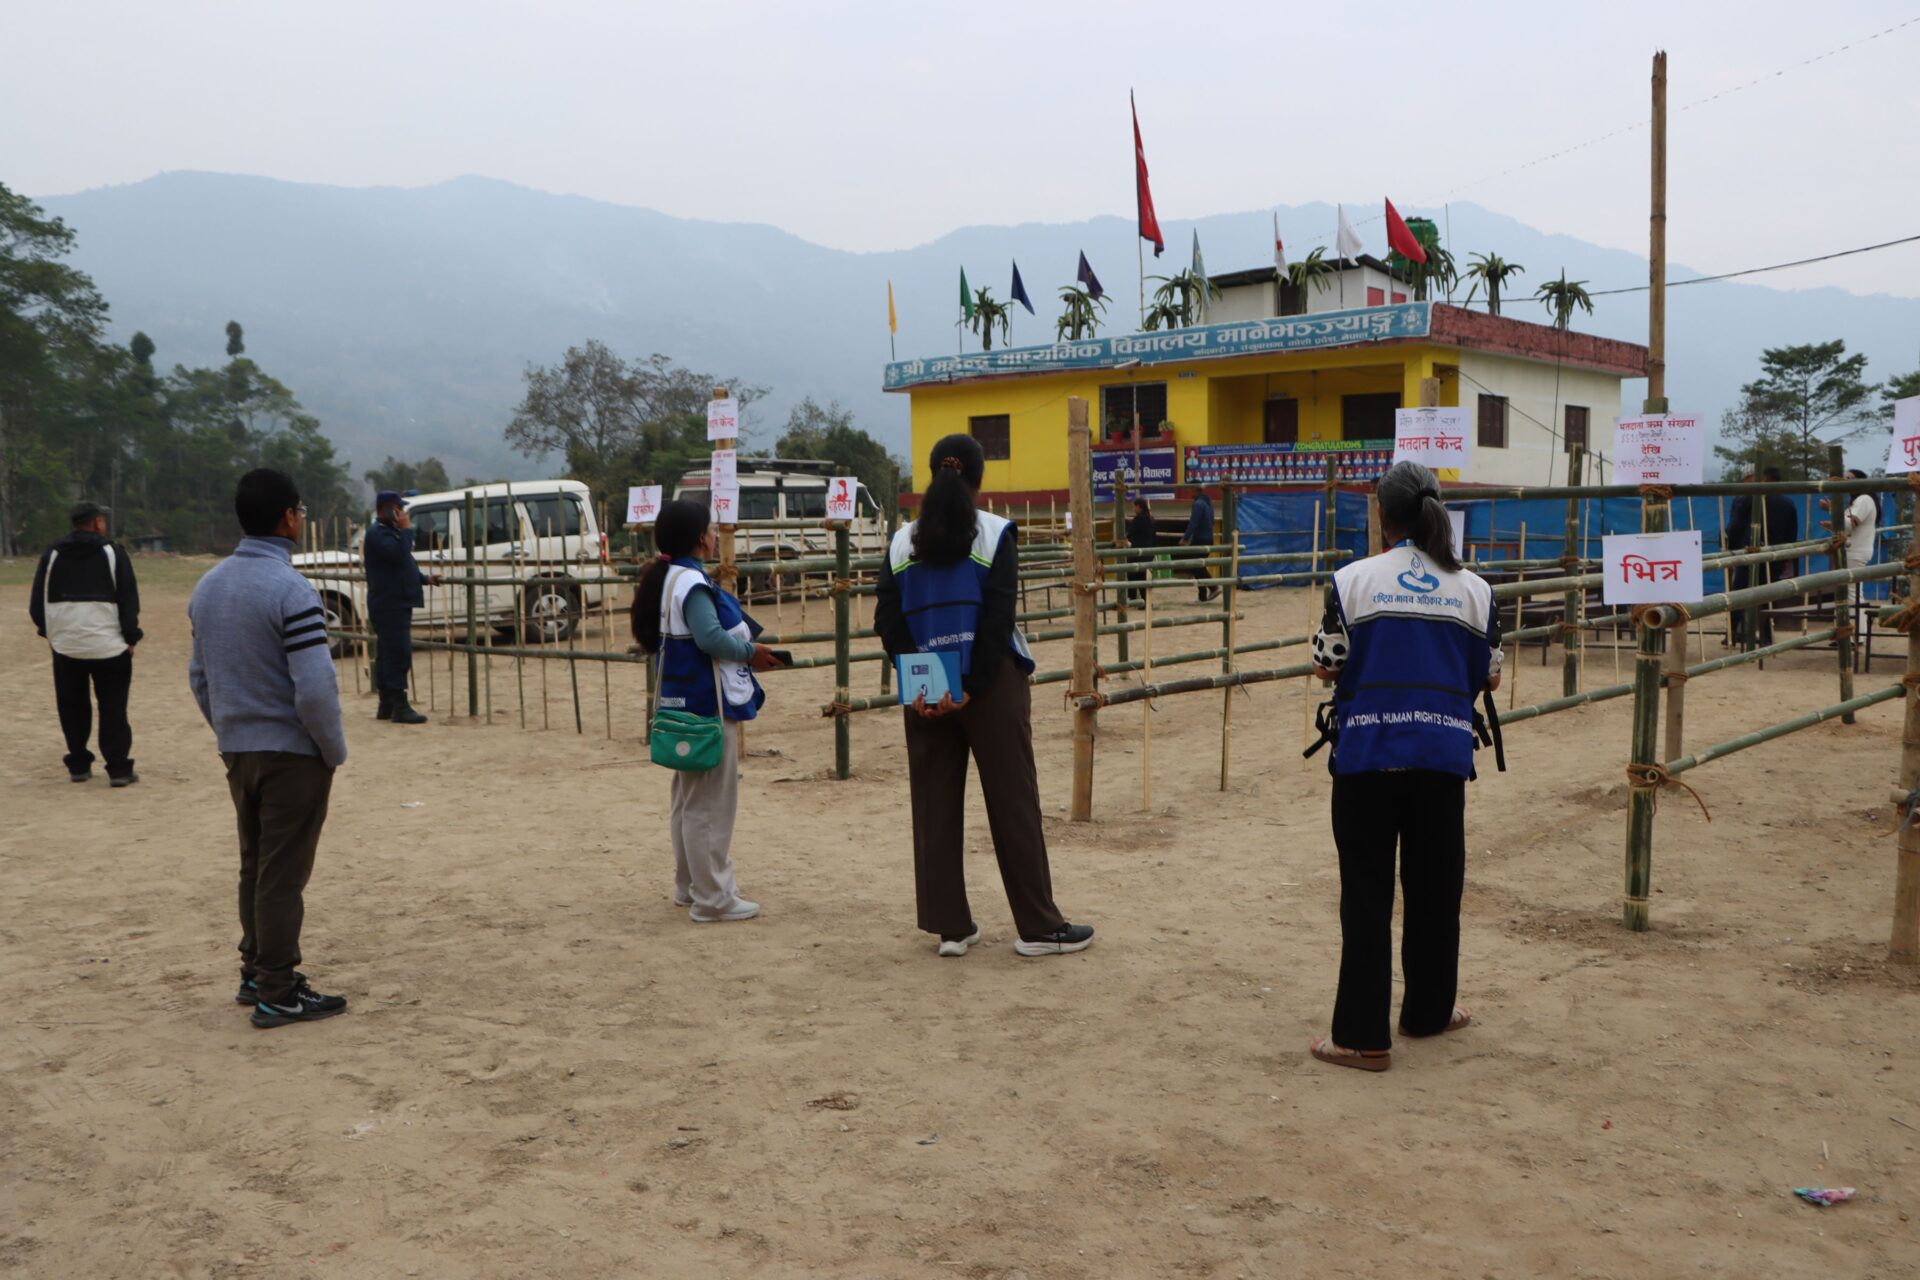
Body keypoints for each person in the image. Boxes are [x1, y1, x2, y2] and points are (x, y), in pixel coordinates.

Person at [1306, 460, 1502, 1072]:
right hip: (1442, 759)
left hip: (1367, 757)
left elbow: (1327, 665)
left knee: (1367, 896)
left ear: (1381, 513)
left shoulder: (1351, 581)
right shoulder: (1476, 590)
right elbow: (1490, 675)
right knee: (1436, 890)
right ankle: (1429, 1012)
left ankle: (1361, 1038)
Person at [875, 433, 1095, 958]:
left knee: (934, 806)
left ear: (932, 473)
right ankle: (1038, 927)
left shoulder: (900, 543)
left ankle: (951, 928)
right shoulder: (994, 533)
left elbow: (888, 621)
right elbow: (998, 617)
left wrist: (927, 684)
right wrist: (970, 686)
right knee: (1013, 801)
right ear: (979, 478)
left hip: (925, 690)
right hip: (991, 686)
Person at [188, 469, 351, 1029]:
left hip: (239, 750)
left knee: (254, 866)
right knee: (282, 875)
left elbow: (199, 677)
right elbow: (315, 687)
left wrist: (229, 730)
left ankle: (255, 973)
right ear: (288, 517)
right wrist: (332, 749)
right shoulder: (291, 589)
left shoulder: (208, 587)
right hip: (291, 755)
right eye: (300, 511)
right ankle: (278, 990)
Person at [631, 499, 783, 923]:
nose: (717, 535)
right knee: (710, 805)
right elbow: (711, 638)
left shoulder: (669, 577)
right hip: (706, 704)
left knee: (689, 801)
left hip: (682, 703)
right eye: (713, 529)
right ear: (700, 538)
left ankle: (690, 886)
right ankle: (714, 898)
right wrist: (752, 653)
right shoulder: (692, 583)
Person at [29, 500, 143, 786]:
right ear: (97, 523)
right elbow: (128, 598)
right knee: (113, 707)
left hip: (66, 646)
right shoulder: (113, 552)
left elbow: (37, 603)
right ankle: (118, 769)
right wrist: (130, 636)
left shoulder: (53, 554)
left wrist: (52, 634)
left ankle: (78, 765)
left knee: (72, 706)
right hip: (110, 646)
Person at [362, 489, 432, 725]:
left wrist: (424, 579)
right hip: (390, 603)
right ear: (387, 510)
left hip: (393, 601)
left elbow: (404, 565)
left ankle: (387, 704)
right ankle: (400, 706)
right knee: (397, 653)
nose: (402, 512)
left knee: (387, 653)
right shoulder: (379, 534)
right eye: (398, 508)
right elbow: (399, 556)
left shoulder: (388, 533)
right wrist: (406, 529)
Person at [1820, 468, 1880, 612]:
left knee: (1853, 596)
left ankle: (1859, 625)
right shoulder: (1859, 501)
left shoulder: (1864, 499)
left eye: (1849, 478)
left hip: (1855, 551)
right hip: (1854, 550)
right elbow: (1848, 527)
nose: (1846, 481)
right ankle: (1856, 624)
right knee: (1851, 594)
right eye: (1845, 478)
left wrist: (1831, 509)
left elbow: (1849, 524)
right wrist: (1832, 525)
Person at [1182, 489, 1217, 602]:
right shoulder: (1208, 502)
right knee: (1199, 566)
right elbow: (1212, 520)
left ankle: (1212, 588)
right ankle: (1205, 594)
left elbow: (1193, 523)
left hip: (1200, 539)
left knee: (1196, 565)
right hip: (1209, 538)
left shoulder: (1198, 504)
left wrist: (1185, 537)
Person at [1125, 497, 1159, 604]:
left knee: (1132, 575)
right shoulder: (1150, 519)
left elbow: (1130, 533)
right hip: (1148, 551)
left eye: (1134, 506)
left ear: (1138, 507)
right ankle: (1145, 601)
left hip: (1137, 552)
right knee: (1143, 577)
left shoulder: (1138, 519)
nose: (1133, 509)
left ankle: (1133, 599)